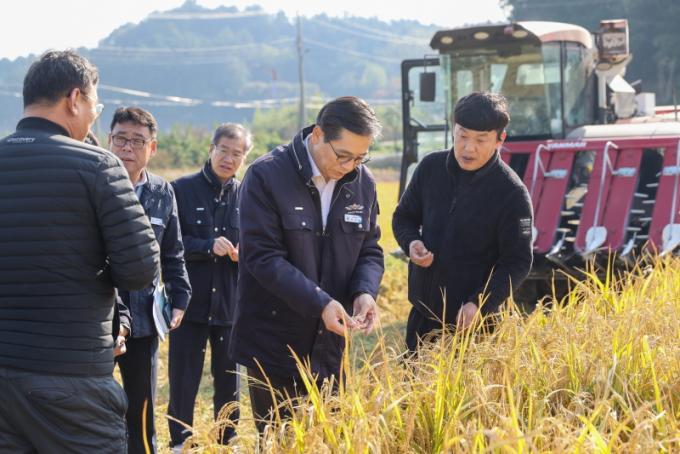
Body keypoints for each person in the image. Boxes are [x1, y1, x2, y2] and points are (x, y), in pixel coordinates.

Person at [0, 50, 160, 453]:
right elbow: (140, 269)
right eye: (95, 105)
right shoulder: (98, 166)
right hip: (71, 377)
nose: (92, 117)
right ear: (75, 99)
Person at [229, 96, 385, 433]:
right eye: (343, 156)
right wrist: (320, 303)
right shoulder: (267, 175)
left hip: (330, 344)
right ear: (318, 134)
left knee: (328, 437)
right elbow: (262, 257)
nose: (350, 166)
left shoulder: (363, 183)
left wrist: (364, 291)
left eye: (360, 158)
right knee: (279, 439)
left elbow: (370, 249)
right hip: (275, 340)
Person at [392, 91, 533, 352]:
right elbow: (404, 217)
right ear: (453, 130)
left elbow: (517, 261)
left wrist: (480, 303)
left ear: (500, 139)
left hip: (475, 324)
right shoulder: (430, 168)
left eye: (481, 139)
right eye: (462, 136)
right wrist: (411, 242)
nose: (469, 148)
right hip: (423, 316)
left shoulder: (512, 193)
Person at [107, 107, 192, 454]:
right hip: (98, 317)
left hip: (143, 316)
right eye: (120, 139)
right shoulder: (95, 183)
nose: (127, 147)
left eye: (137, 141)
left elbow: (173, 251)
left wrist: (181, 295)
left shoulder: (161, 191)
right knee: (91, 406)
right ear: (109, 141)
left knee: (142, 409)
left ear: (152, 148)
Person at [168, 124, 252, 450]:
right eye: (224, 150)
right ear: (211, 149)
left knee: (229, 381)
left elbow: (262, 244)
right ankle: (180, 442)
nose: (229, 159)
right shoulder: (181, 189)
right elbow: (168, 243)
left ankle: (226, 441)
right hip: (189, 304)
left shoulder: (249, 195)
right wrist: (206, 246)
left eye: (237, 153)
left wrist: (245, 253)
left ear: (244, 158)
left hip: (231, 305)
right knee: (183, 379)